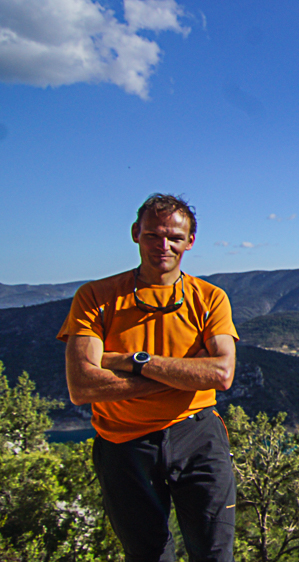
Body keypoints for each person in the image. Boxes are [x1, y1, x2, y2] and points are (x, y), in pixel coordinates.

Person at [58, 194, 239, 562]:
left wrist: (130, 361)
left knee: (215, 553)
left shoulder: (210, 299)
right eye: (154, 235)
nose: (163, 245)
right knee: (148, 555)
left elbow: (221, 374)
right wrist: (184, 375)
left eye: (174, 237)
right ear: (135, 233)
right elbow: (82, 385)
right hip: (123, 442)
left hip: (198, 437)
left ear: (190, 241)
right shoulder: (95, 297)